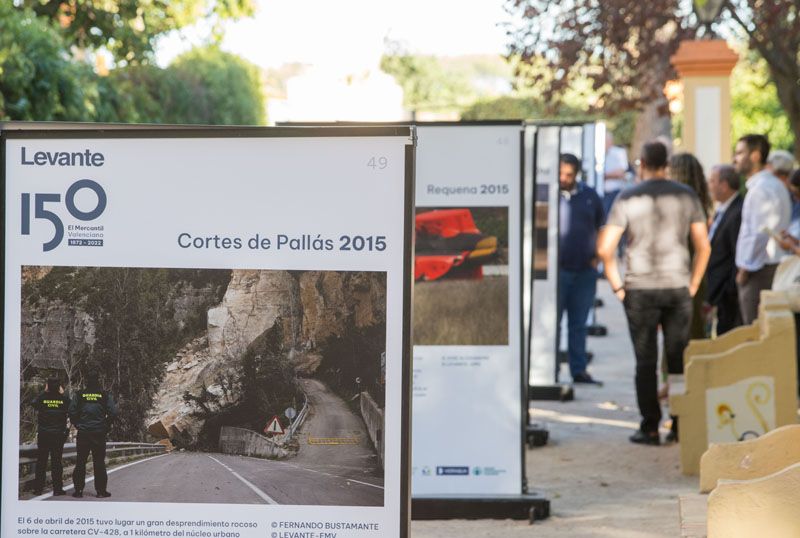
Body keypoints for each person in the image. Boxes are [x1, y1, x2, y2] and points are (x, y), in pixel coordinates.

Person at [597, 141, 710, 445]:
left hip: (640, 286)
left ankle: (649, 426)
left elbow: (605, 248)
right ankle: (679, 424)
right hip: (677, 285)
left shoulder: (628, 196)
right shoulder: (686, 195)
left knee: (645, 361)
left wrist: (618, 286)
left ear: (642, 162)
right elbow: (703, 245)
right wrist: (694, 283)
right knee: (678, 359)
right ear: (666, 163)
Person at [734, 134, 792, 325]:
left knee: (756, 330)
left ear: (755, 156)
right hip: (768, 266)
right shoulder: (772, 185)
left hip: (760, 270)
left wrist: (745, 268)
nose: (735, 158)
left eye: (740, 152)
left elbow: (758, 234)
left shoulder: (761, 188)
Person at [558, 153, 604, 384]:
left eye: (569, 174)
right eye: (561, 174)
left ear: (577, 174)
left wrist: (598, 256)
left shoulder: (589, 196)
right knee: (552, 322)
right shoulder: (547, 196)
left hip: (585, 271)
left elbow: (602, 227)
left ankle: (578, 370)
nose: (564, 179)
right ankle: (548, 369)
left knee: (578, 324)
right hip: (556, 273)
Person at [669, 152, 713, 340]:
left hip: (681, 270)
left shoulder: (680, 203)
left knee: (681, 328)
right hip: (697, 269)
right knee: (693, 325)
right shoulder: (700, 201)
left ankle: (678, 368)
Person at [706, 165, 744, 335]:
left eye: (712, 181)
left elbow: (737, 253)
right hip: (719, 292)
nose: (709, 185)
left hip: (727, 293)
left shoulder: (737, 211)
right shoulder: (723, 209)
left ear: (724, 185)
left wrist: (729, 289)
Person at [69, 373, 117, 498]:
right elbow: (113, 412)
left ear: (86, 382)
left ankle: (78, 491)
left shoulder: (79, 394)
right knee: (99, 462)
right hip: (99, 433)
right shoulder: (104, 395)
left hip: (83, 432)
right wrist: (105, 426)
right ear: (98, 381)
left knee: (80, 462)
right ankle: (101, 492)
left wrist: (78, 424)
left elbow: (71, 411)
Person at [32, 378, 70, 496]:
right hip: (58, 435)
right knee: (56, 462)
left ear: (47, 386)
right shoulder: (64, 400)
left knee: (41, 462)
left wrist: (45, 391)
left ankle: (38, 489)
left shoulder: (42, 398)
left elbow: (33, 402)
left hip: (44, 435)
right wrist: (62, 393)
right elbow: (72, 405)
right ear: (59, 387)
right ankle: (57, 489)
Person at [602, 132, 630, 218]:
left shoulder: (619, 152)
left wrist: (604, 176)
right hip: (602, 193)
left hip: (615, 192)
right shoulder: (598, 153)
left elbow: (621, 172)